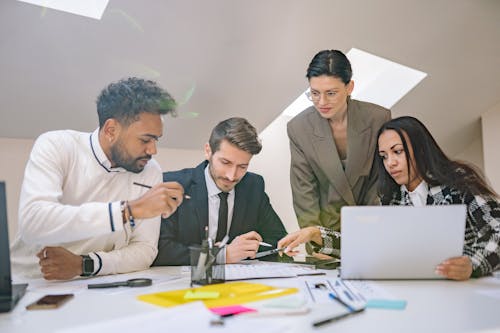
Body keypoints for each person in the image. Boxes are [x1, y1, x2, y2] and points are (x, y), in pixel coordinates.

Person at [279, 116, 500, 281]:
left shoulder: (458, 183)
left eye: (398, 152)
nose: (390, 163)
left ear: (421, 150)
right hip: (422, 291)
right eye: (384, 156)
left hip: (469, 290)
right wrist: (317, 234)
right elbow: (368, 246)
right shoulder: (393, 198)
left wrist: (472, 265)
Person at [11, 77, 185, 280]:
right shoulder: (57, 146)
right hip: (28, 284)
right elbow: (34, 223)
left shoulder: (150, 171)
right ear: (111, 130)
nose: (153, 150)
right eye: (145, 140)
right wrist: (128, 210)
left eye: (156, 140)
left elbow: (145, 250)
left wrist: (85, 264)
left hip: (97, 285)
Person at [287, 49, 391, 257]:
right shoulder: (298, 128)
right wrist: (317, 240)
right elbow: (304, 191)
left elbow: (380, 180)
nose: (322, 102)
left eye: (331, 93)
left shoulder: (378, 118)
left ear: (349, 87)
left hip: (371, 227)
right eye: (314, 93)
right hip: (325, 232)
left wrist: (367, 225)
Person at [152, 117, 287, 265]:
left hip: (239, 283)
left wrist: (250, 248)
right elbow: (159, 250)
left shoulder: (253, 186)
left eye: (242, 166)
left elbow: (278, 238)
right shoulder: (173, 185)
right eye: (225, 162)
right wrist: (219, 255)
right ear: (208, 151)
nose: (232, 175)